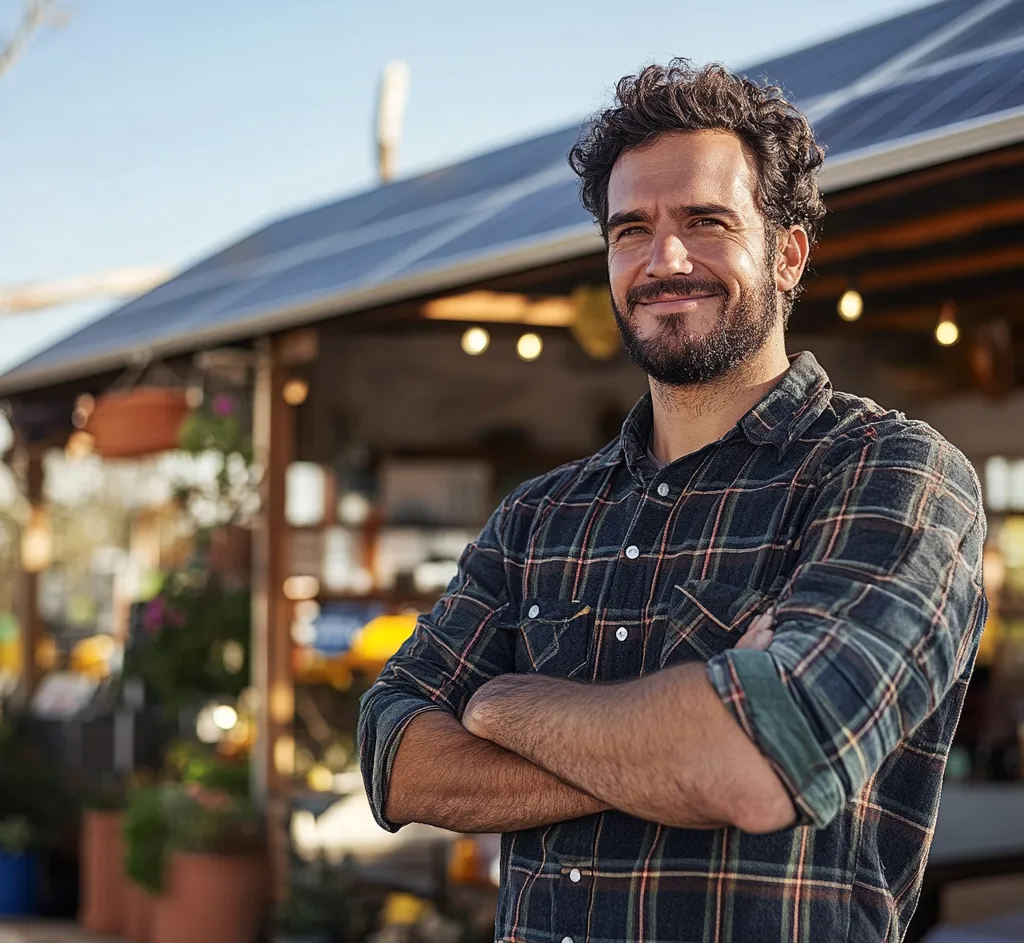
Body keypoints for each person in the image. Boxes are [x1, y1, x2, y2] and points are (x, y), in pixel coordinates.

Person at [358, 60, 987, 942]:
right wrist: (675, 746)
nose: (665, 260)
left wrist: (502, 707)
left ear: (789, 252)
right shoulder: (540, 517)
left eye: (706, 221)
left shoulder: (891, 476)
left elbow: (764, 764)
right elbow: (394, 756)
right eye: (632, 230)